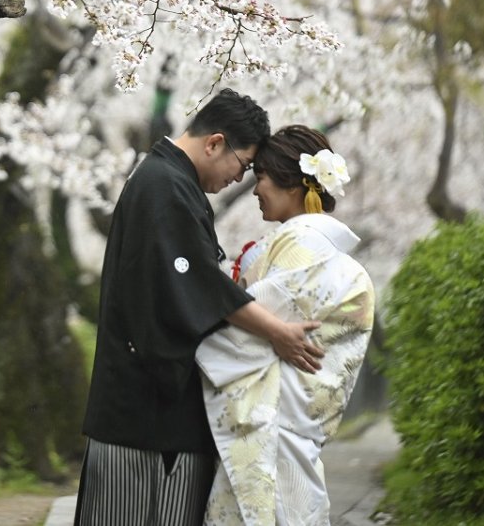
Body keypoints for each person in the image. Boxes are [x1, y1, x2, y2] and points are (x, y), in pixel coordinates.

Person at [74, 91, 326, 526]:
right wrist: (275, 330)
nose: (240, 180)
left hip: (151, 410)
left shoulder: (170, 182)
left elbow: (194, 281)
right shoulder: (164, 185)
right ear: (214, 143)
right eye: (242, 165)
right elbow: (195, 283)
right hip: (145, 416)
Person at [196, 125, 375, 526]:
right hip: (285, 422)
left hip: (274, 422)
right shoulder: (306, 243)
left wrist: (207, 293)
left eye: (260, 176)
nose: (253, 188)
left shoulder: (306, 245)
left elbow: (239, 323)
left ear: (293, 183)